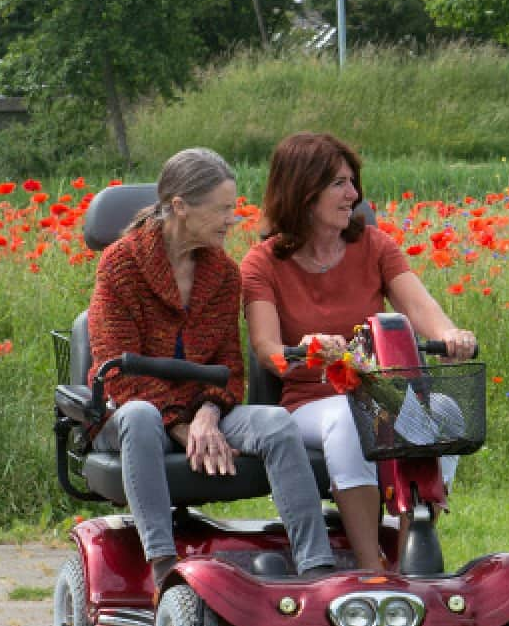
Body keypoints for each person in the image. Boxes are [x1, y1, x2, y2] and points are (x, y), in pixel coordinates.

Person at [86, 147, 338, 581]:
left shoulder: (223, 273)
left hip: (204, 413)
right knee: (142, 415)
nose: (233, 220)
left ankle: (316, 569)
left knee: (277, 423)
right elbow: (118, 373)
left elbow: (228, 366)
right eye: (223, 209)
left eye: (234, 208)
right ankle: (163, 565)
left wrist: (206, 415)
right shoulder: (120, 265)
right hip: (130, 414)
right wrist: (182, 427)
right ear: (180, 206)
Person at [243, 132, 478, 572]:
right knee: (351, 419)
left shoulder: (374, 246)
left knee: (445, 410)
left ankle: (410, 557)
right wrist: (306, 350)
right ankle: (371, 571)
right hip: (308, 403)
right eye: (339, 184)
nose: (354, 195)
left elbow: (421, 308)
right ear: (302, 191)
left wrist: (451, 335)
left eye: (352, 182)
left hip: (376, 392)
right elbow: (266, 350)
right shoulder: (263, 262)